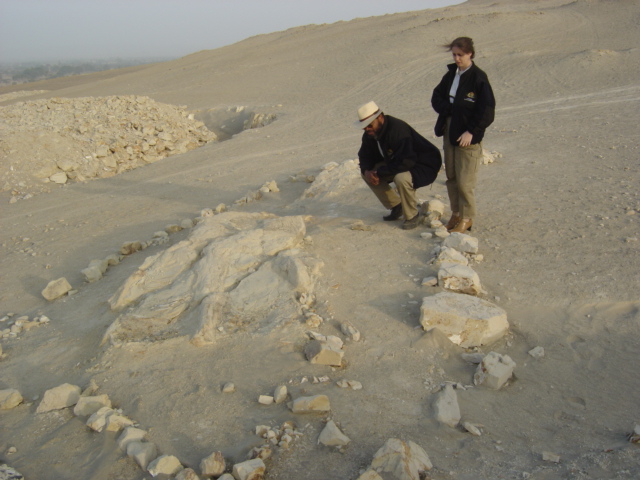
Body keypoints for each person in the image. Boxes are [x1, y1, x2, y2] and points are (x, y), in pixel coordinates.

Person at [431, 37, 495, 233]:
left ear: (470, 54)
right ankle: (456, 213)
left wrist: (472, 132)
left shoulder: (478, 78)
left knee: (465, 180)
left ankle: (467, 218)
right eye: (454, 55)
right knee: (451, 176)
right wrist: (449, 110)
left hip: (468, 133)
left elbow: (487, 110)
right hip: (449, 129)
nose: (457, 59)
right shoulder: (451, 75)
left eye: (460, 55)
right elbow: (436, 97)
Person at [356, 101, 442, 230]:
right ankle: (397, 206)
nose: (366, 129)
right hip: (398, 162)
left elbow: (407, 161)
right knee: (366, 173)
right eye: (364, 127)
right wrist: (367, 170)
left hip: (423, 164)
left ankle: (412, 215)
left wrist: (380, 173)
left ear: (379, 117)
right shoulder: (371, 133)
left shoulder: (397, 130)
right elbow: (364, 156)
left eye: (369, 125)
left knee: (401, 178)